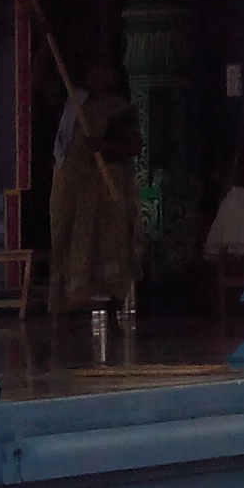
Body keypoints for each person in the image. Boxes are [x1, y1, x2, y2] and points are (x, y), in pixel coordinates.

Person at [47, 63, 143, 312]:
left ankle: (112, 294)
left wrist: (104, 146)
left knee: (108, 240)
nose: (98, 76)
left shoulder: (120, 109)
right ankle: (72, 294)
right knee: (70, 236)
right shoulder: (73, 103)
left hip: (107, 185)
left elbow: (133, 146)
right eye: (94, 71)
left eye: (104, 71)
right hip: (75, 186)